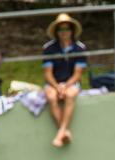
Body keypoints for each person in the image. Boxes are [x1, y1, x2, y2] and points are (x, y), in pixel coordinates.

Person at [42, 13, 87, 148]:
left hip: (71, 83)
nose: (64, 32)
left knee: (70, 94)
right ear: (57, 32)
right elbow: (48, 74)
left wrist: (66, 86)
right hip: (53, 83)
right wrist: (57, 87)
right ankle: (64, 131)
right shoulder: (49, 48)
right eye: (61, 29)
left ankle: (60, 132)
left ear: (72, 30)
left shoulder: (80, 48)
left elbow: (78, 74)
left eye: (67, 29)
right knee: (51, 96)